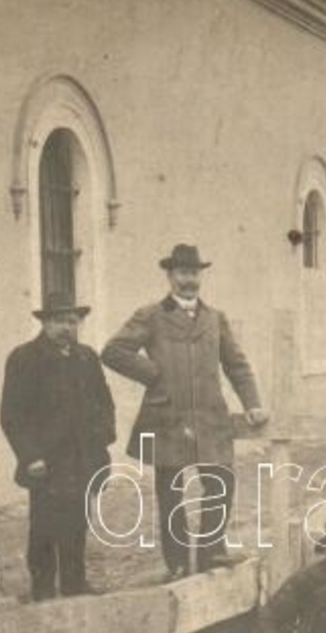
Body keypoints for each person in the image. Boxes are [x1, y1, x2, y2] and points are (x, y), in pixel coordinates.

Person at [102, 244, 267, 580]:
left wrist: (252, 403)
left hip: (209, 418)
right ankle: (177, 564)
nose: (188, 280)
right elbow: (114, 351)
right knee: (171, 493)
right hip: (168, 418)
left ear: (200, 277)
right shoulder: (150, 315)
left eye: (193, 273)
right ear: (170, 276)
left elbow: (236, 365)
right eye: (182, 273)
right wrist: (153, 373)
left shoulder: (215, 318)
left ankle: (212, 553)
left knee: (221, 482)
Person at [0, 294, 116, 601]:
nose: (67, 327)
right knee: (45, 526)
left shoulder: (87, 358)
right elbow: (12, 415)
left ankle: (74, 584)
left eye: (72, 321)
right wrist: (30, 456)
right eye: (60, 321)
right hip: (46, 462)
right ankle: (42, 588)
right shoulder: (24, 358)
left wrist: (102, 438)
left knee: (78, 522)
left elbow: (105, 402)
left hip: (82, 457)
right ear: (45, 323)